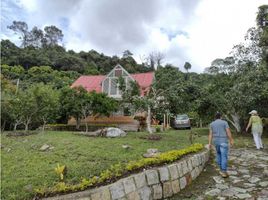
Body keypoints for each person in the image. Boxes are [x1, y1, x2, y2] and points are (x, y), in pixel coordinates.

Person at [208, 112, 234, 178]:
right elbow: (228, 132)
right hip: (223, 141)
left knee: (219, 154)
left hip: (216, 142)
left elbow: (210, 134)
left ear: (215, 117)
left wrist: (210, 143)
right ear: (221, 117)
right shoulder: (224, 122)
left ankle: (221, 169)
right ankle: (224, 172)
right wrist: (231, 140)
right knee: (224, 156)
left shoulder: (212, 124)